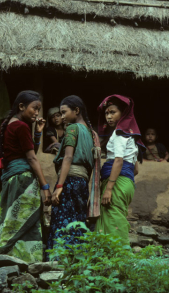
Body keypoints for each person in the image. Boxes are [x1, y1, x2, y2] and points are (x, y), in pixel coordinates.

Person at [0, 90, 52, 263]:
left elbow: (25, 149)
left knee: (13, 219)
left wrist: (38, 133)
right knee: (26, 219)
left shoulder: (9, 124)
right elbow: (32, 157)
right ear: (21, 106)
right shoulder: (20, 126)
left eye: (38, 109)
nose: (36, 113)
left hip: (12, 179)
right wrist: (45, 187)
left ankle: (9, 257)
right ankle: (25, 259)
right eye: (34, 108)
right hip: (23, 180)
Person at [47, 96, 101, 259]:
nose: (62, 117)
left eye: (64, 112)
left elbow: (68, 158)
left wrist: (59, 186)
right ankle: (76, 259)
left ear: (76, 111)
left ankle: (58, 259)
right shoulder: (92, 134)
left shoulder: (72, 129)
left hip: (69, 181)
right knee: (77, 220)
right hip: (82, 183)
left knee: (63, 219)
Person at [95, 95, 145, 246]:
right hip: (127, 183)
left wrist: (109, 188)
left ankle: (120, 259)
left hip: (116, 183)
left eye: (113, 112)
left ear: (122, 113)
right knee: (117, 218)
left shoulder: (119, 134)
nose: (108, 116)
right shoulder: (130, 137)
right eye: (106, 113)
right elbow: (135, 169)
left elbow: (118, 160)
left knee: (113, 221)